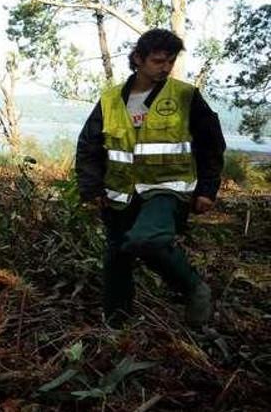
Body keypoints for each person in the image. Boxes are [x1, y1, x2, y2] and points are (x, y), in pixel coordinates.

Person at [76, 29, 225, 328]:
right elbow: (89, 146)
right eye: (158, 61)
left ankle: (194, 286)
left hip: (167, 190)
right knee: (116, 258)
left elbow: (211, 143)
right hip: (119, 195)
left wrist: (207, 189)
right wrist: (91, 188)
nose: (166, 68)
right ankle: (117, 325)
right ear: (138, 59)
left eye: (170, 61)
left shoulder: (185, 96)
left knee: (147, 239)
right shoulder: (110, 100)